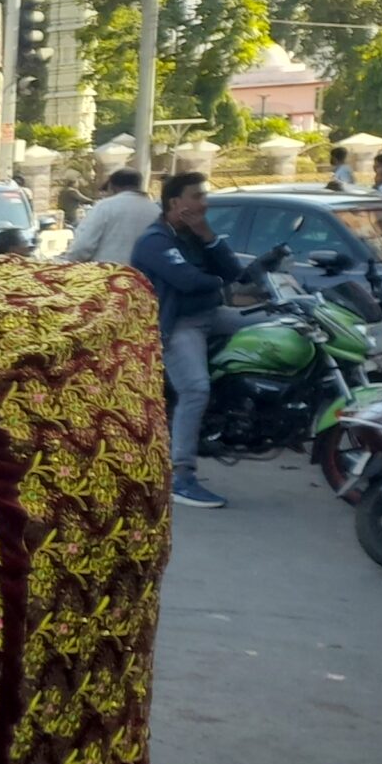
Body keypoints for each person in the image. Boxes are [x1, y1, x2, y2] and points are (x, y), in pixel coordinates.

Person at [132, 170, 245, 511]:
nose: (204, 203)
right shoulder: (155, 240)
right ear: (174, 203)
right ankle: (182, 476)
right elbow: (188, 281)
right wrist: (223, 284)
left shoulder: (195, 234)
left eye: (204, 196)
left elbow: (234, 270)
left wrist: (207, 234)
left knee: (274, 327)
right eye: (197, 196)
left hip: (213, 316)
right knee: (195, 388)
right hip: (179, 324)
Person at [66, 168, 160, 264]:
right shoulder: (156, 210)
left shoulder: (105, 206)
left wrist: (70, 262)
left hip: (108, 273)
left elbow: (82, 246)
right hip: (143, 276)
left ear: (112, 186)